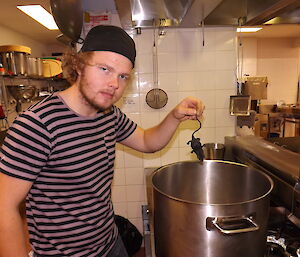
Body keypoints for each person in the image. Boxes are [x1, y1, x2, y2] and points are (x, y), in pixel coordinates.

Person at [0, 25, 205, 257]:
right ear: (78, 65)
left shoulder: (108, 115)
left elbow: (148, 141)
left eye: (123, 76)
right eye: (105, 69)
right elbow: (3, 207)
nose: (114, 84)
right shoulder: (38, 124)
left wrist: (175, 116)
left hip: (110, 244)